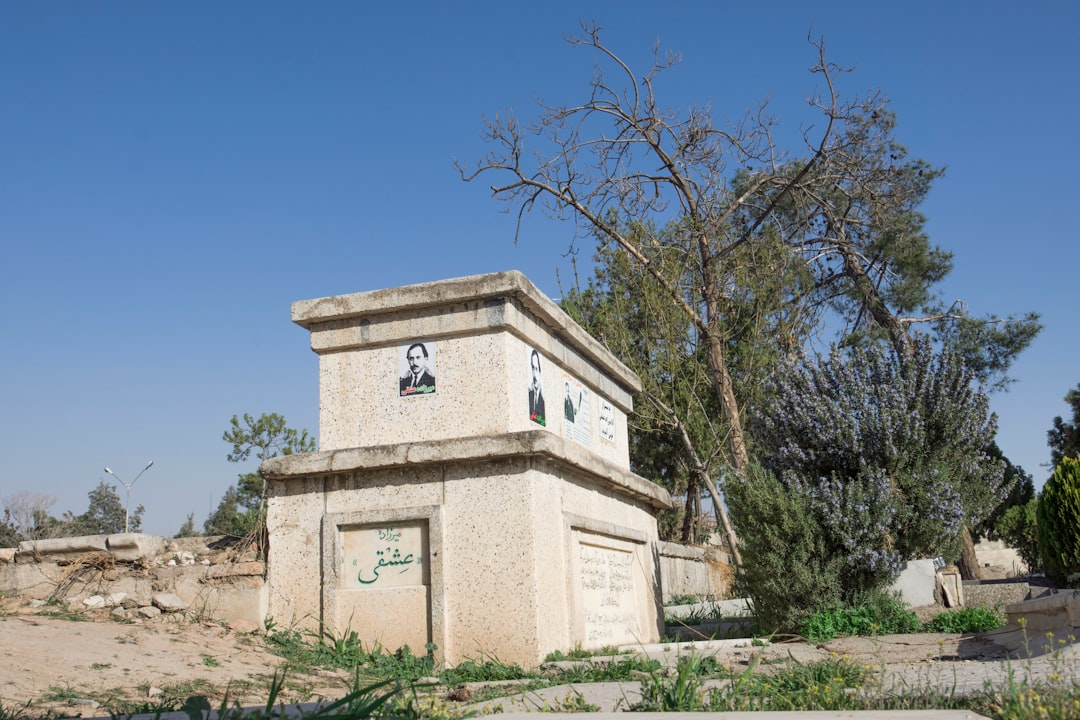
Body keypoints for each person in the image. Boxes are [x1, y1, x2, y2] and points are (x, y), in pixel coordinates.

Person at [528, 349, 546, 426]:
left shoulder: (543, 400)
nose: (534, 375)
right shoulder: (529, 394)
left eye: (536, 369)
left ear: (540, 372)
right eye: (533, 368)